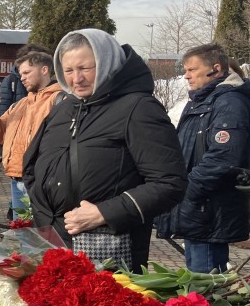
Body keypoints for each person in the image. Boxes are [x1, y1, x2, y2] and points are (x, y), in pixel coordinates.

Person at [22, 29, 187, 270]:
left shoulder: (138, 108)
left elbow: (170, 182)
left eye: (85, 68)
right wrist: (45, 215)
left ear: (107, 63)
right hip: (53, 243)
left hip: (106, 246)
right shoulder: (63, 109)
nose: (76, 78)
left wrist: (104, 213)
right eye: (68, 71)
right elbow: (33, 166)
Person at [156, 44, 250, 272]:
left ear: (215, 69)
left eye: (191, 69)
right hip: (198, 210)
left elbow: (223, 158)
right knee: (197, 283)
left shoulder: (229, 103)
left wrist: (188, 190)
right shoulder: (203, 101)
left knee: (206, 285)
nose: (185, 75)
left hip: (208, 211)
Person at [0, 47, 60, 219]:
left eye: (26, 72)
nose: (21, 77)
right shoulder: (21, 104)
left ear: (44, 70)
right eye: (20, 74)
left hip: (41, 180)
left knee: (43, 235)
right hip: (17, 177)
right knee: (23, 234)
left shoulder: (59, 100)